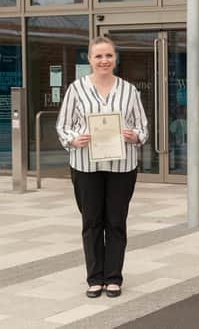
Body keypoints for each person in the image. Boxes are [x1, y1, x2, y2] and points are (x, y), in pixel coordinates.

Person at [56, 36, 148, 298]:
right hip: (86, 165)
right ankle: (95, 278)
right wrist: (73, 139)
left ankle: (114, 278)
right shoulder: (76, 89)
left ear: (115, 58)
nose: (104, 60)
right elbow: (63, 125)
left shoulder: (129, 90)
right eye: (98, 56)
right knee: (92, 221)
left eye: (108, 55)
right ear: (89, 59)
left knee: (116, 222)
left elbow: (143, 127)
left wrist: (135, 135)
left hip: (122, 165)